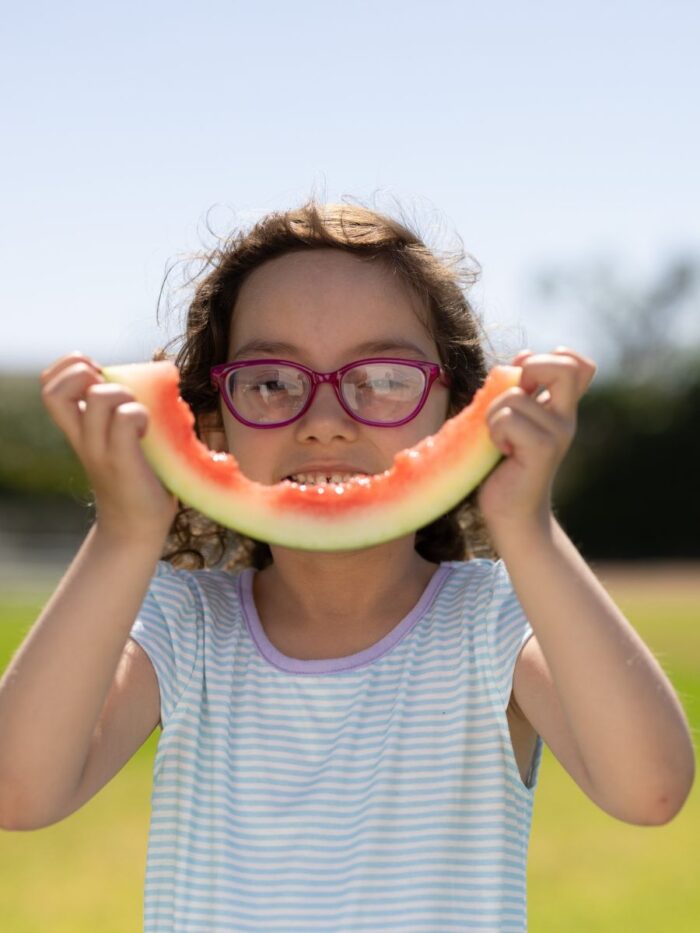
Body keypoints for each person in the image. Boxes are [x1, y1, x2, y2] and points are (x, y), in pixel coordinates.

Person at [0, 201, 694, 932]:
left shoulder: (493, 621)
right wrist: (122, 534)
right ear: (211, 422)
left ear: (459, 413)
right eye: (271, 380)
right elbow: (18, 791)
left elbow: (648, 788)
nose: (325, 417)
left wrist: (527, 526)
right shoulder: (185, 625)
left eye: (385, 378)